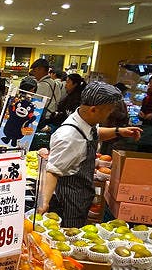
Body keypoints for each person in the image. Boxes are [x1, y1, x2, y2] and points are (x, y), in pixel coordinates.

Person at [39, 82, 142, 228]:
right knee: (69, 236)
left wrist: (119, 131)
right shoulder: (69, 137)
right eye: (109, 110)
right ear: (93, 109)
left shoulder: (84, 121)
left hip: (80, 197)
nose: (110, 114)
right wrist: (44, 203)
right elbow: (52, 170)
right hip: (68, 203)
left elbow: (95, 134)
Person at [30, 58, 59, 129]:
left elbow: (35, 104)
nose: (33, 74)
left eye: (34, 71)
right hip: (52, 118)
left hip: (42, 119)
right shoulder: (55, 84)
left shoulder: (42, 85)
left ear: (41, 69)